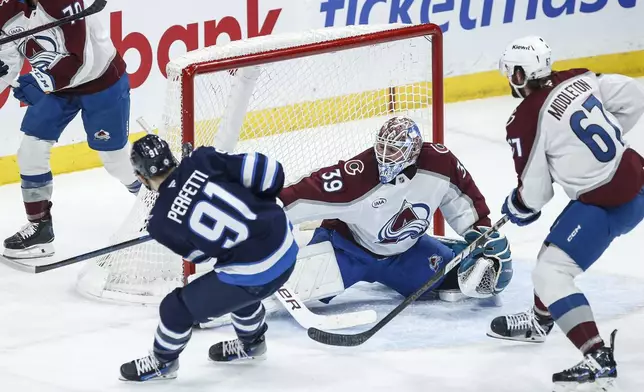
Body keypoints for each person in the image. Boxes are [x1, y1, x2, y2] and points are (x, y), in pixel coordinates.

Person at [487, 35, 644, 389]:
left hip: (607, 203)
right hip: (637, 178)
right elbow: (634, 97)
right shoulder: (578, 77)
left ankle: (597, 357)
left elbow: (536, 194)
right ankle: (539, 322)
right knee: (552, 250)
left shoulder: (525, 120)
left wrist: (518, 206)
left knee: (550, 273)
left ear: (519, 75)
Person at [273, 116, 513, 315]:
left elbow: (462, 197)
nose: (385, 156)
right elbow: (305, 193)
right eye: (382, 147)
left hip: (404, 253)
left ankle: (451, 249)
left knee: (450, 277)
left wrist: (482, 235)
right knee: (283, 288)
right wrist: (264, 211)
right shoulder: (357, 175)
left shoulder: (439, 163)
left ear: (414, 151)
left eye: (394, 151)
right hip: (348, 250)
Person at [120, 135, 297, 382]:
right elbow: (270, 173)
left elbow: (202, 257)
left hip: (254, 274)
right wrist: (259, 205)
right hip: (287, 247)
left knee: (175, 308)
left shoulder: (159, 224)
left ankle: (163, 362)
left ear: (141, 178)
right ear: (172, 158)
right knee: (237, 287)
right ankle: (252, 344)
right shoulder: (202, 159)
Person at [0, 0, 140, 260]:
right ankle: (40, 229)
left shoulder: (63, 2)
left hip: (101, 83)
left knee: (116, 162)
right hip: (57, 90)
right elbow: (7, 62)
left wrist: (41, 80)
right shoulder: (6, 10)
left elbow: (83, 61)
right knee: (30, 151)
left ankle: (155, 203)